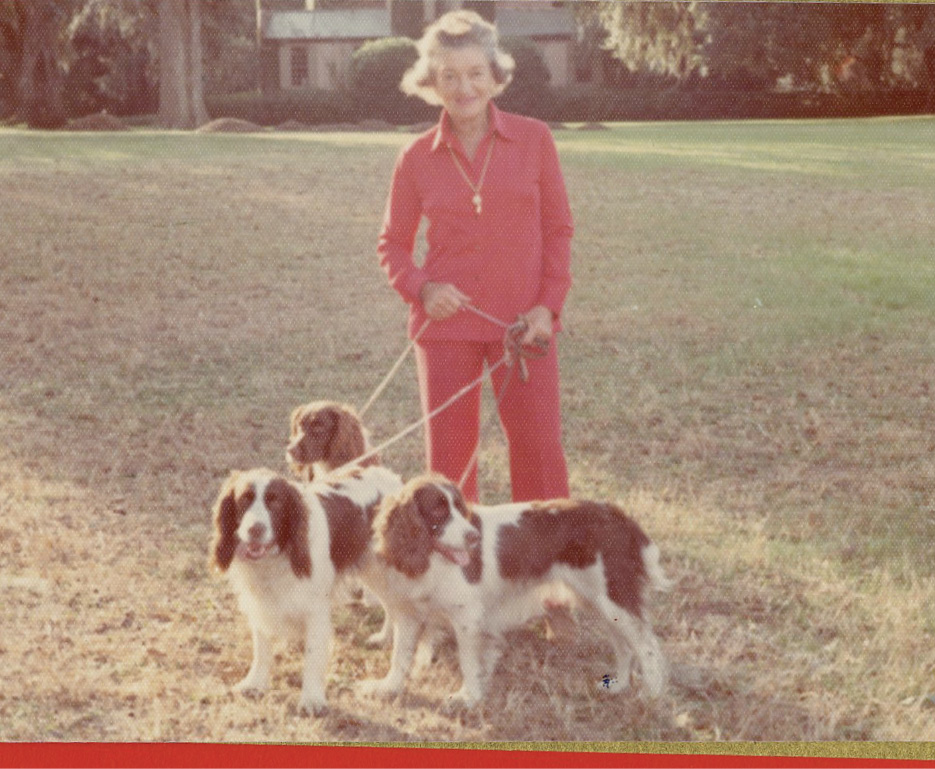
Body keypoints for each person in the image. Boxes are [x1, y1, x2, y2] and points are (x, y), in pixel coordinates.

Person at [377, 10, 574, 503]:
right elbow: (392, 245)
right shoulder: (415, 157)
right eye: (449, 76)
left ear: (496, 77)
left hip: (523, 326)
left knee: (539, 456)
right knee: (448, 471)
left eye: (475, 74)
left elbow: (558, 229)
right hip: (446, 327)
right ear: (431, 82)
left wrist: (547, 308)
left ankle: (545, 571)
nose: (463, 88)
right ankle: (458, 573)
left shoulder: (534, 139)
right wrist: (422, 288)